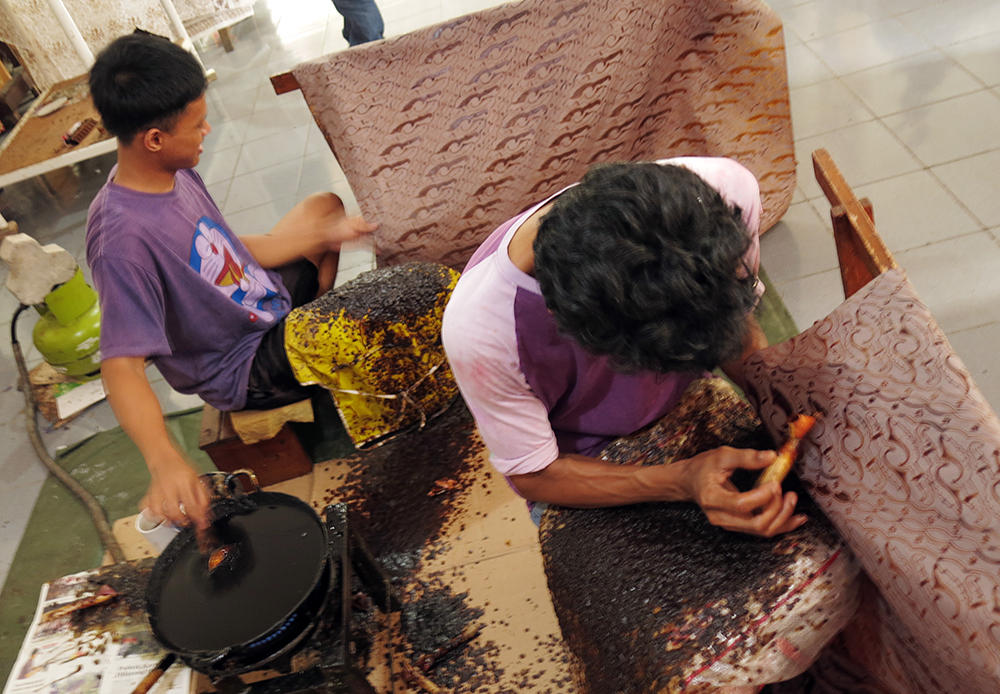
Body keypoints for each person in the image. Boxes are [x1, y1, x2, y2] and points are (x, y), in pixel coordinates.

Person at [85, 33, 376, 530]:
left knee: (323, 208)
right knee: (362, 330)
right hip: (241, 366)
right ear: (154, 137)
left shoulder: (172, 171)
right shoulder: (120, 243)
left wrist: (328, 234)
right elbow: (122, 367)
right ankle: (302, 359)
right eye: (197, 125)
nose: (208, 130)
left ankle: (306, 341)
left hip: (262, 305)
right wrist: (164, 460)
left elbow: (226, 250)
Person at [441, 158, 806, 537]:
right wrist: (682, 480)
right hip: (581, 458)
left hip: (684, 399)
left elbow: (731, 320)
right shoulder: (482, 331)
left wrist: (779, 407)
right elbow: (535, 474)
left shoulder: (724, 196)